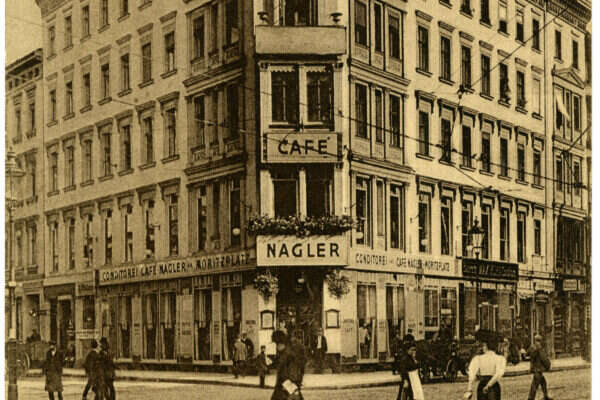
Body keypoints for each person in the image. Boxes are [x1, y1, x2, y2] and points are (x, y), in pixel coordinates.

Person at [464, 330, 506, 400]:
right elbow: (498, 374)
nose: (483, 347)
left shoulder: (478, 358)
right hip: (494, 386)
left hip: (482, 385)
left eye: (483, 345)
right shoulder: (500, 359)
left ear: (486, 346)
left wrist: (469, 389)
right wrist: (489, 385)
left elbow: (472, 375)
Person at [271, 330, 306, 400]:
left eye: (277, 344)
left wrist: (291, 389)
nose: (276, 347)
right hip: (284, 388)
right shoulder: (284, 354)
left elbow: (293, 375)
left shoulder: (289, 356)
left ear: (281, 344)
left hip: (287, 389)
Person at [527, 334, 553, 400]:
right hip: (538, 370)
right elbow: (543, 358)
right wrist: (548, 365)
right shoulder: (539, 348)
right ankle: (530, 398)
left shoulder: (532, 347)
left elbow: (527, 354)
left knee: (543, 382)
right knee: (534, 385)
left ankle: (545, 396)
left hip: (535, 369)